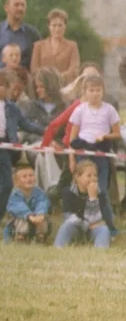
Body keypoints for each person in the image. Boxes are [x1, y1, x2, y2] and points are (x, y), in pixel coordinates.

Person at [0, 70, 45, 229]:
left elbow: (26, 124)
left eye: (0, 85)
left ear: (8, 88)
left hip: (4, 148)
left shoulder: (12, 108)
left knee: (7, 184)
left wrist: (46, 130)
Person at [67, 75, 121, 232]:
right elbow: (73, 138)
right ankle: (78, 226)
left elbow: (117, 133)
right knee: (81, 190)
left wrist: (105, 136)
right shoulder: (79, 110)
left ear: (103, 92)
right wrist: (72, 159)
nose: (95, 94)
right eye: (91, 90)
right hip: (83, 155)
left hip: (101, 154)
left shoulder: (109, 110)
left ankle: (109, 227)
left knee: (101, 191)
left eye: (98, 90)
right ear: (85, 91)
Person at [0, 0, 41, 95]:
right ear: (6, 8)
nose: (20, 8)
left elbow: (37, 61)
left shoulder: (32, 34)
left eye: (23, 5)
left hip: (21, 88)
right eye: (16, 5)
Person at [54, 160, 110, 248]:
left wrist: (93, 198)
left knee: (104, 229)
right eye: (89, 175)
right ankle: (58, 248)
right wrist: (87, 224)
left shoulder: (101, 194)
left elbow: (97, 220)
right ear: (77, 177)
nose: (93, 178)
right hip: (76, 229)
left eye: (95, 175)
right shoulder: (68, 192)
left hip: (92, 231)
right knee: (66, 225)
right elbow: (68, 216)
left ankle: (101, 251)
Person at [30, 8, 80, 84]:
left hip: (65, 87)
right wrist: (47, 79)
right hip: (43, 86)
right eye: (54, 25)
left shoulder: (72, 46)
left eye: (60, 25)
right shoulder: (38, 46)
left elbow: (74, 70)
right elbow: (34, 69)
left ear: (65, 26)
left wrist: (57, 78)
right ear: (49, 26)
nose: (57, 29)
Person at [3, 165, 50, 244]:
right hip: (19, 221)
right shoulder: (15, 194)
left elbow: (43, 201)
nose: (29, 179)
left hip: (36, 218)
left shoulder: (39, 192)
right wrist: (29, 215)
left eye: (31, 175)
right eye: (24, 177)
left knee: (43, 219)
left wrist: (40, 214)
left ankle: (40, 237)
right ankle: (21, 237)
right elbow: (18, 206)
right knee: (21, 219)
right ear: (17, 183)